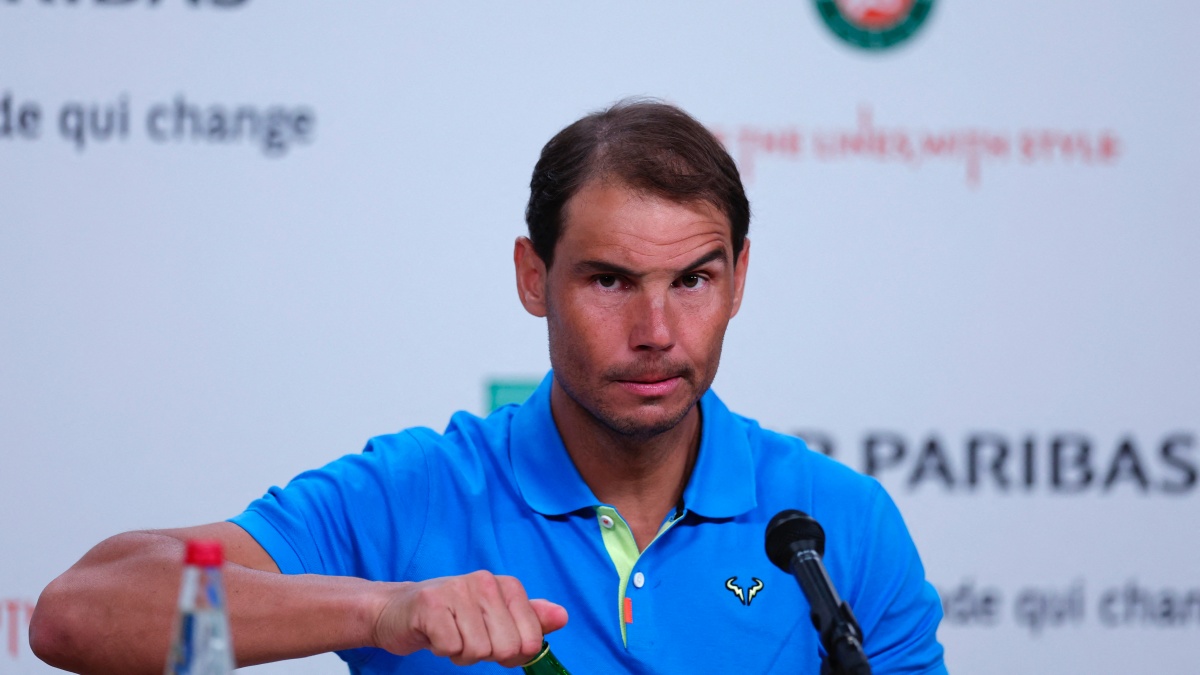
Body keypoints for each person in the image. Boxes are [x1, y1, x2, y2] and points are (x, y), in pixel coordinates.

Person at [30, 100, 947, 674]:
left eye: (693, 280)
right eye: (609, 280)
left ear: (739, 279)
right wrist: (383, 608)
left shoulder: (836, 526)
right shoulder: (414, 491)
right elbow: (77, 615)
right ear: (531, 277)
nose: (657, 331)